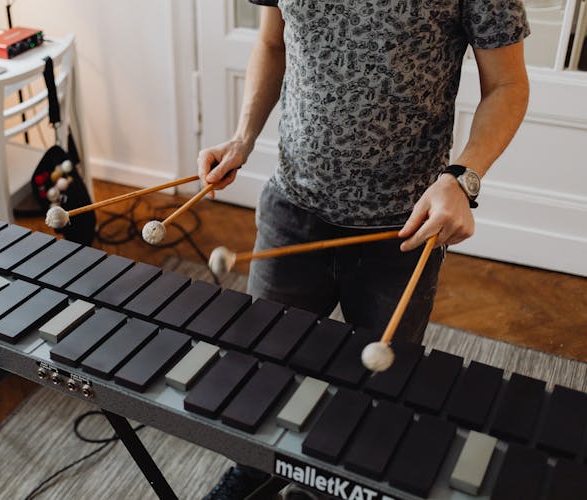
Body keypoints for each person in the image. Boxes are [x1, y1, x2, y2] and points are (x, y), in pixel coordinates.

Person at [197, 1, 529, 499]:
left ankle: (338, 486)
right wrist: (244, 137)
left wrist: (463, 178)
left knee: (378, 391)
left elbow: (507, 85)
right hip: (292, 206)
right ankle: (255, 468)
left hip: (401, 231)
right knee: (265, 364)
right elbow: (272, 41)